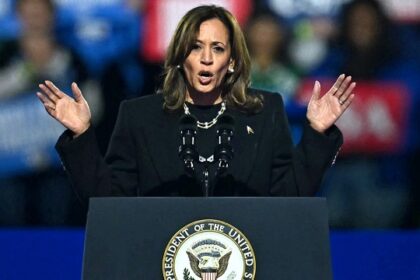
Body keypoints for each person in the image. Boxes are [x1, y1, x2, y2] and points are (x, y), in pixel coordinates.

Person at [36, 5, 355, 206]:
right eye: (195, 48)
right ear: (179, 57)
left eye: (217, 48)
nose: (205, 59)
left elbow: (291, 197)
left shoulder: (264, 111)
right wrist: (81, 136)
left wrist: (316, 132)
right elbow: (107, 201)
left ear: (231, 61)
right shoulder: (139, 116)